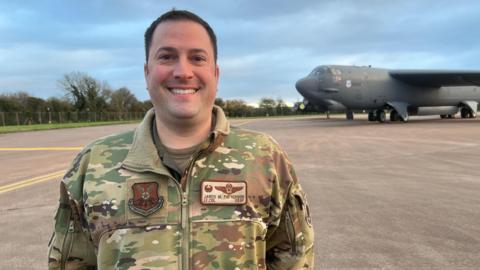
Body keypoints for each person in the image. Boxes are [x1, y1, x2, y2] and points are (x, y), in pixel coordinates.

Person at [48, 9, 314, 270]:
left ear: (216, 75)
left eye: (197, 58)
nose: (183, 71)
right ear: (146, 72)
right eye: (167, 57)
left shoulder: (265, 158)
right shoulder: (93, 164)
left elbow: (294, 259)